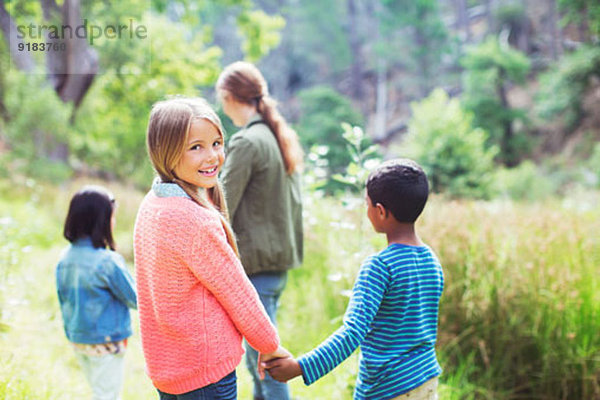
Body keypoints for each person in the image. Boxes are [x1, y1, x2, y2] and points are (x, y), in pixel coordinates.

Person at [133, 97, 290, 400]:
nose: (212, 156)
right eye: (196, 147)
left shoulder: (151, 204)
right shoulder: (194, 219)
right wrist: (270, 345)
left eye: (217, 143)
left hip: (168, 370)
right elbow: (239, 295)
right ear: (166, 151)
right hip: (205, 373)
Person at [263, 159, 445, 400]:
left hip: (388, 388)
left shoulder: (380, 267)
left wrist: (300, 367)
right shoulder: (432, 260)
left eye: (367, 204)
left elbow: (352, 334)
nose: (366, 210)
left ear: (380, 211)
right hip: (426, 380)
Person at [215, 61, 304, 400]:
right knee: (261, 368)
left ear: (229, 97)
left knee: (267, 370)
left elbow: (220, 206)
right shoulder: (276, 136)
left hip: (257, 271)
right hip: (276, 267)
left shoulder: (248, 141)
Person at [56, 185, 138, 400]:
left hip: (79, 339)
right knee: (107, 396)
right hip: (107, 342)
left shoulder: (64, 258)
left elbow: (63, 299)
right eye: (112, 217)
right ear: (102, 221)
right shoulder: (108, 262)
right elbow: (135, 298)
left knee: (99, 392)